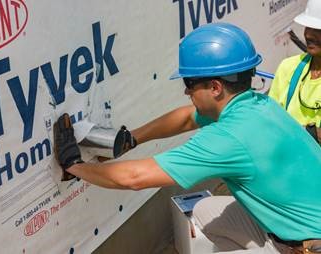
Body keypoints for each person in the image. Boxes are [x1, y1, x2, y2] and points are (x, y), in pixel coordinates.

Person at [54, 23, 321, 253]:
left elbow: (134, 178)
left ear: (215, 87)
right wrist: (131, 139)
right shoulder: (258, 105)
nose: (186, 92)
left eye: (189, 84)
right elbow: (186, 117)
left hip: (307, 247)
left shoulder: (229, 138)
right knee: (204, 212)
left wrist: (75, 166)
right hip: (306, 230)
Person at [269, 0, 321, 144]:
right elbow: (271, 121)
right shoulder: (289, 67)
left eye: (318, 30)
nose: (309, 35)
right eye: (308, 27)